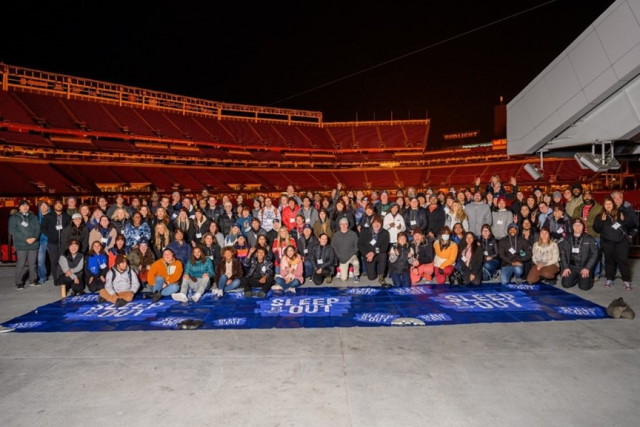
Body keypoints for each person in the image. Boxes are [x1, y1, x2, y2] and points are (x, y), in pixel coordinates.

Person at [593, 197, 634, 290]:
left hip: (622, 242)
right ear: (603, 205)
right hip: (607, 242)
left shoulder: (621, 213)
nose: (608, 206)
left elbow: (630, 225)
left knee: (623, 261)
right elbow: (597, 229)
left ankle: (626, 280)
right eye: (606, 204)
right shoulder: (600, 216)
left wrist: (624, 220)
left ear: (613, 205)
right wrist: (601, 221)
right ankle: (609, 278)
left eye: (610, 204)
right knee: (609, 261)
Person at [559, 218, 599, 291]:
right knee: (566, 285)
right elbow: (563, 253)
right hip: (571, 266)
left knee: (584, 287)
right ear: (572, 227)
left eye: (579, 225)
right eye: (575, 225)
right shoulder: (567, 238)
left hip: (584, 267)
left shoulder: (589, 239)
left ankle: (587, 278)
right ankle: (577, 277)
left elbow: (594, 254)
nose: (577, 227)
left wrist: (587, 268)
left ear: (583, 226)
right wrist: (565, 267)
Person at [9, 200, 40, 289]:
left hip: (33, 244)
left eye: (27, 205)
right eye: (23, 206)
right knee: (21, 264)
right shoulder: (14, 217)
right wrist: (25, 239)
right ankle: (19, 282)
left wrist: (34, 238)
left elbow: (38, 228)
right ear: (19, 207)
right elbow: (13, 230)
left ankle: (33, 280)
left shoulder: (33, 217)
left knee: (32, 264)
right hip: (22, 244)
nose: (25, 207)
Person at [358, 216, 390, 285]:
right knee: (371, 277)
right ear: (371, 223)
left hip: (378, 254)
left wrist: (373, 253)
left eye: (378, 223)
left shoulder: (385, 233)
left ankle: (381, 275)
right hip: (368, 255)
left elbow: (384, 248)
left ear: (381, 224)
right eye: (374, 223)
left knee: (383, 255)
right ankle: (374, 271)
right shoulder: (365, 231)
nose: (376, 225)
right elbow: (360, 244)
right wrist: (367, 254)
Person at [332, 217, 360, 283]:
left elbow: (357, 245)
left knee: (356, 262)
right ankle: (346, 269)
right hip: (342, 258)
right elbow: (334, 246)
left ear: (347, 225)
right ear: (339, 225)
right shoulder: (336, 235)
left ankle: (356, 275)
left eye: (345, 224)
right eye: (342, 224)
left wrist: (353, 254)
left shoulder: (353, 234)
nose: (344, 225)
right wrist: (339, 256)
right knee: (343, 279)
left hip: (351, 256)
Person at [36, 201, 50, 285]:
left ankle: (59, 276)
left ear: (48, 207)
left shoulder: (53, 216)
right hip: (41, 242)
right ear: (39, 207)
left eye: (45, 205)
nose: (44, 207)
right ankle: (42, 277)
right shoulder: (37, 218)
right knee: (40, 261)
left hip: (52, 241)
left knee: (55, 260)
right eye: (42, 205)